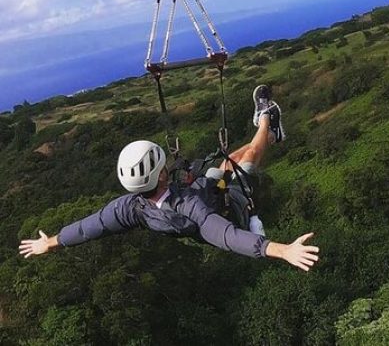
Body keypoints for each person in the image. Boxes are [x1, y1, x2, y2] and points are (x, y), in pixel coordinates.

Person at [18, 85, 319, 272]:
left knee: (228, 160)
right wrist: (283, 251)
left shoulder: (131, 208)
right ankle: (268, 118)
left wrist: (53, 243)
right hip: (229, 204)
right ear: (161, 174)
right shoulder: (189, 207)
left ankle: (266, 128)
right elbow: (228, 236)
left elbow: (89, 227)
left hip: (208, 190)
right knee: (249, 156)